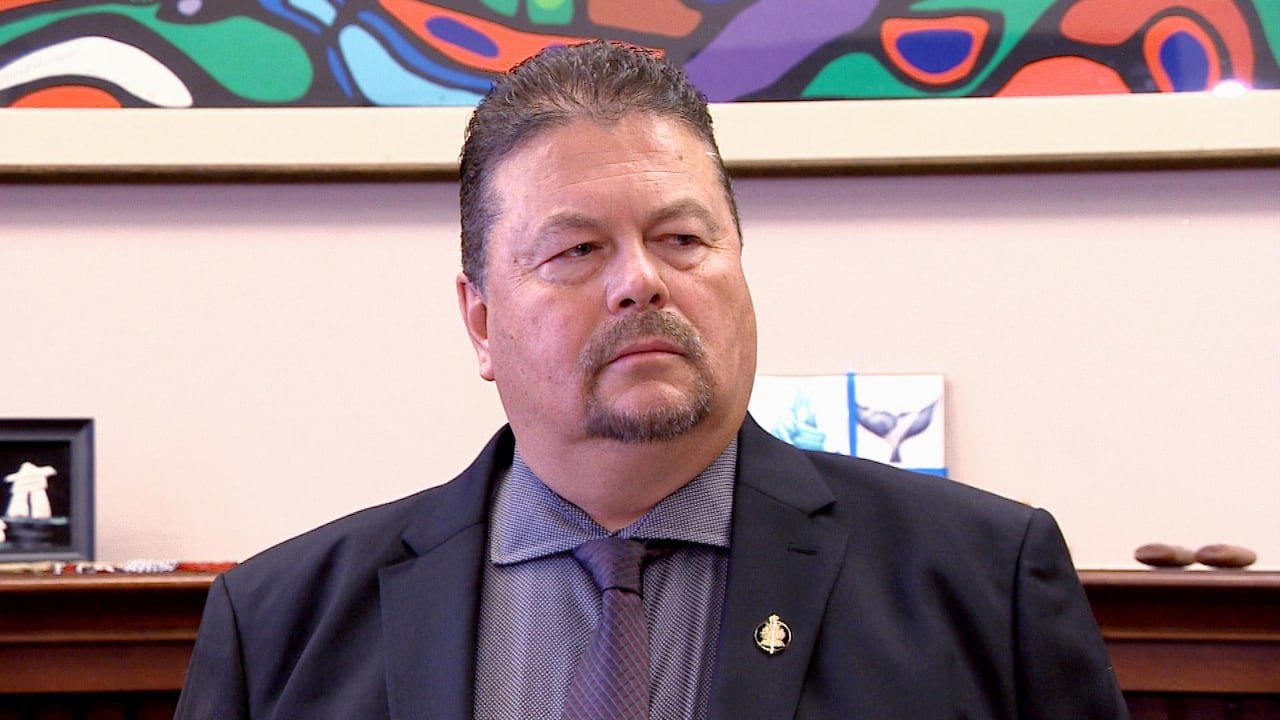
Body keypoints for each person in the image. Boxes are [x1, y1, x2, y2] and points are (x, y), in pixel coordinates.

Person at [175, 41, 1128, 719]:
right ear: (480, 323)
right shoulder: (278, 630)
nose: (641, 281)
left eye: (681, 239)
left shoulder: (978, 582)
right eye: (578, 249)